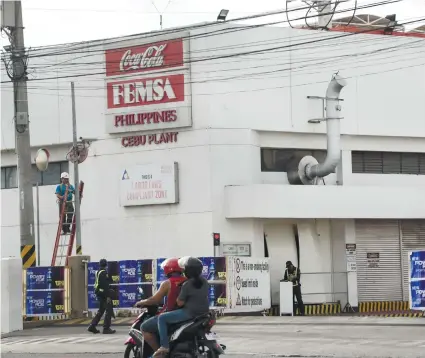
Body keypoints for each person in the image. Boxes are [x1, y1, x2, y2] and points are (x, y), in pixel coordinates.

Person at [152, 256, 210, 357]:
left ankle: (164, 346)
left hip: (189, 313)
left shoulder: (187, 284)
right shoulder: (204, 281)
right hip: (204, 313)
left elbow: (180, 303)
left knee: (162, 318)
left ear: (187, 271)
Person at [137, 258, 187, 353]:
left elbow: (155, 300)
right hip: (185, 314)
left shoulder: (167, 283)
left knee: (144, 327)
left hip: (171, 314)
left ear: (168, 269)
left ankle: (159, 353)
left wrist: (141, 302)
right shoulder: (187, 280)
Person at [88, 259, 116, 334]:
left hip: (99, 292)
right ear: (106, 265)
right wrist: (108, 296)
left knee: (101, 310)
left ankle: (92, 326)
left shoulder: (98, 272)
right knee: (109, 310)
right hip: (103, 293)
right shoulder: (104, 273)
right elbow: (105, 285)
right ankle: (106, 328)